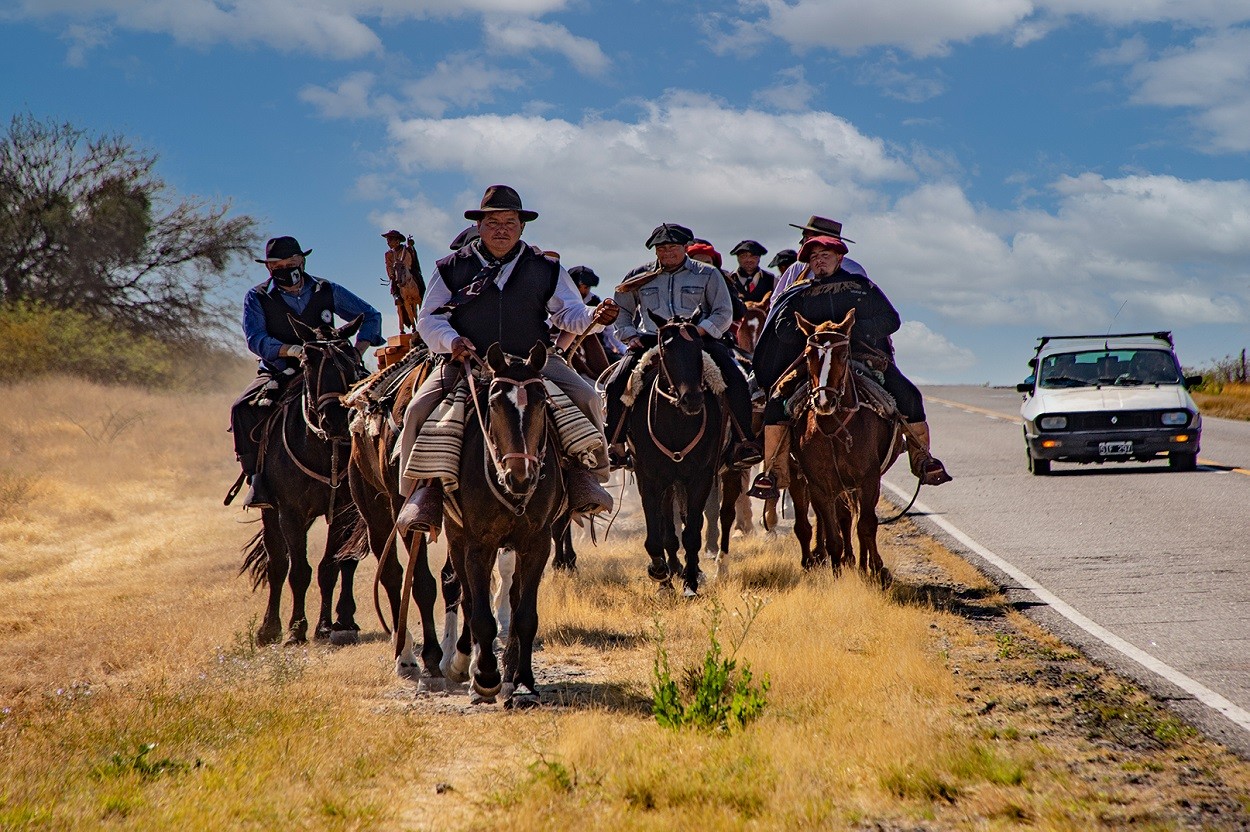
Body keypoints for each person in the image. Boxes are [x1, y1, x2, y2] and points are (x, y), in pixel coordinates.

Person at [395, 185, 620, 534]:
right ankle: (423, 493)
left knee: (588, 397)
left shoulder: (545, 268)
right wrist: (451, 340)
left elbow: (569, 313)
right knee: (416, 410)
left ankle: (584, 475)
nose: (502, 229)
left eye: (510, 222)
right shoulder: (453, 267)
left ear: (521, 227)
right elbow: (429, 318)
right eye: (493, 221)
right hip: (467, 360)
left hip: (533, 363)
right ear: (480, 225)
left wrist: (595, 315)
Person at [750, 235, 951, 495]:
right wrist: (818, 336)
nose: (819, 262)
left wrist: (856, 332)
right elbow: (783, 328)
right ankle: (774, 472)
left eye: (825, 256)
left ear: (840, 258)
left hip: (862, 356)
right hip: (816, 359)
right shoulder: (799, 293)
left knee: (908, 395)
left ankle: (923, 458)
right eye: (813, 258)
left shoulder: (860, 287)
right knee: (778, 401)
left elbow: (891, 320)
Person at [231, 235, 384, 509]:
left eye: (290, 263)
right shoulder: (257, 297)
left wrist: (356, 352)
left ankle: (378, 473)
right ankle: (257, 479)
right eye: (276, 266)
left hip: (330, 371)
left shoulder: (327, 290)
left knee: (379, 403)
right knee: (242, 408)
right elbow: (255, 339)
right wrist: (291, 351)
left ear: (301, 261)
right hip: (280, 370)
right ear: (268, 268)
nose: (284, 270)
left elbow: (371, 315)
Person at [602, 223, 762, 470]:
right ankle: (616, 445)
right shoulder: (638, 276)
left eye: (672, 248)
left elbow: (722, 311)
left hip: (698, 339)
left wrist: (699, 330)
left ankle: (744, 443)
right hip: (652, 340)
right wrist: (628, 334)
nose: (666, 253)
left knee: (736, 379)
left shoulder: (707, 274)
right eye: (661, 248)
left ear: (685, 247)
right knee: (616, 383)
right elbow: (622, 310)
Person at [768, 216, 867, 307]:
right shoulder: (798, 267)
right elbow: (777, 302)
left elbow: (863, 306)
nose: (801, 241)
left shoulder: (854, 271)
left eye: (806, 237)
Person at [382, 230, 425, 332]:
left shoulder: (405, 249)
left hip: (409, 271)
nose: (388, 242)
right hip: (397, 275)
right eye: (387, 240)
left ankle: (424, 295)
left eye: (390, 239)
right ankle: (397, 297)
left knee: (418, 278)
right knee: (394, 286)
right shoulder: (388, 254)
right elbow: (388, 266)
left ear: (397, 241)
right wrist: (391, 275)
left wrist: (411, 246)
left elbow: (411, 258)